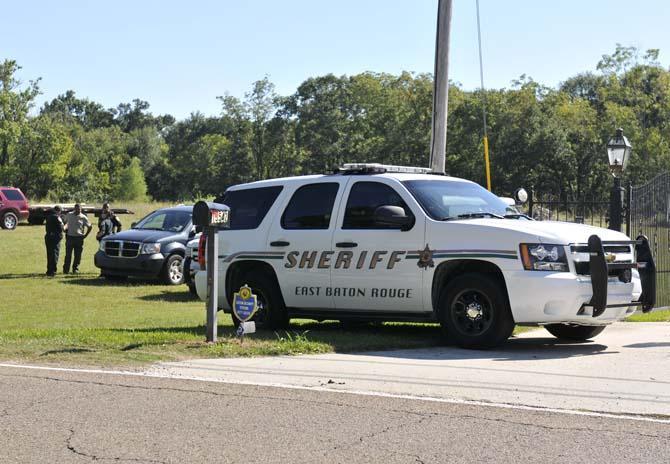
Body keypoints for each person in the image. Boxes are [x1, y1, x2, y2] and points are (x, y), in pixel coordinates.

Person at [63, 203, 92, 274]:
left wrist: (85, 235)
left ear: (81, 209)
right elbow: (65, 222)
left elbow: (90, 226)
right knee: (68, 254)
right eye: (76, 209)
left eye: (79, 209)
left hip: (79, 238)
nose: (77, 210)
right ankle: (66, 270)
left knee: (78, 255)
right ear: (74, 208)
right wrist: (65, 229)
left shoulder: (83, 217)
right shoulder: (69, 215)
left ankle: (75, 269)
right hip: (70, 237)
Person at [44, 206, 64, 277]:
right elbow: (62, 228)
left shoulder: (49, 216)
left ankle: (49, 270)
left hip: (48, 236)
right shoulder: (57, 217)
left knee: (49, 254)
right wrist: (66, 225)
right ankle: (53, 271)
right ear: (59, 211)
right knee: (55, 254)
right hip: (55, 238)